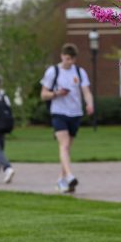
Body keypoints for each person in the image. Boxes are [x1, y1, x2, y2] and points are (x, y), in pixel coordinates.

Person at [40, 43, 94, 193]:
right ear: (62, 56)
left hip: (75, 113)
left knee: (67, 148)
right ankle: (69, 176)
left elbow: (86, 91)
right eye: (67, 58)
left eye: (71, 59)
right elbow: (43, 94)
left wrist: (89, 104)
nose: (69, 61)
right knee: (63, 145)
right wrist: (57, 93)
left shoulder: (79, 72)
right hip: (59, 112)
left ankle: (60, 181)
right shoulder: (53, 71)